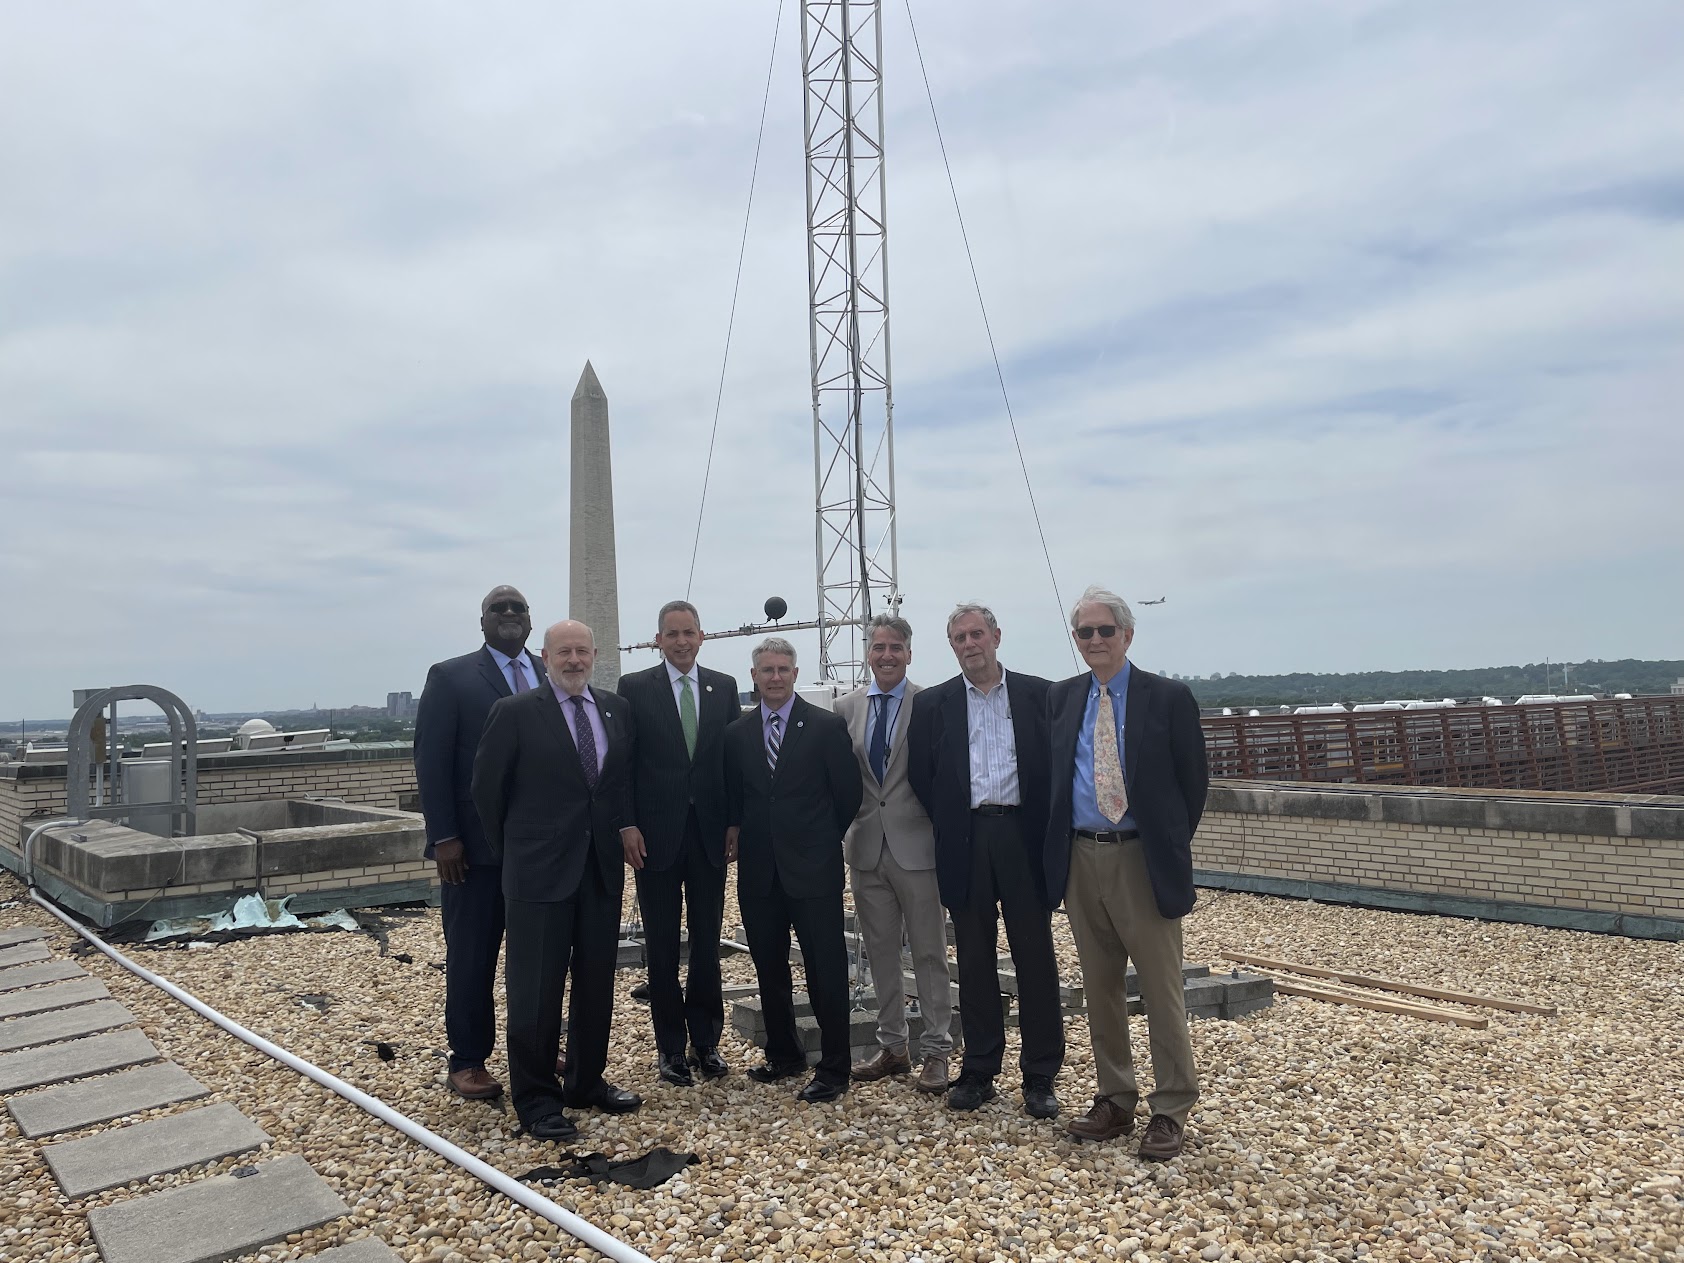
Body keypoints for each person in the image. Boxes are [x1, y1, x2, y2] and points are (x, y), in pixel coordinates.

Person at [1045, 585, 1208, 1159]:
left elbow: (1193, 788)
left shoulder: (1168, 698)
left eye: (1104, 631)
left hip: (1141, 857)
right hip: (1081, 859)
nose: (1094, 640)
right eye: (1084, 632)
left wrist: (1161, 848)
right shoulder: (1063, 699)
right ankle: (1115, 1096)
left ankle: (1171, 1107)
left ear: (1127, 635)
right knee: (1100, 987)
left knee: (1161, 988)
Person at [471, 619, 644, 1140]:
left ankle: (586, 1081)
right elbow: (487, 792)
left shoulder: (615, 710)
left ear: (595, 656)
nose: (574, 660)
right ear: (544, 658)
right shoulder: (515, 713)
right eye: (563, 652)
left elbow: (618, 786)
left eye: (582, 651)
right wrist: (518, 853)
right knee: (535, 990)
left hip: (598, 870)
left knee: (596, 982)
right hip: (537, 874)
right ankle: (536, 1097)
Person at [907, 602, 1063, 1118]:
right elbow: (922, 776)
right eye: (959, 637)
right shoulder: (934, 704)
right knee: (973, 958)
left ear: (996, 636)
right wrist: (954, 819)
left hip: (1022, 836)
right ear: (951, 645)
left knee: (1034, 957)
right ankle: (978, 1067)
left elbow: (1054, 767)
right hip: (966, 838)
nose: (969, 644)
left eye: (977, 634)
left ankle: (1040, 1074)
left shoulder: (1039, 695)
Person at [413, 585, 542, 1100]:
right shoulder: (451, 677)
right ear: (482, 621)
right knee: (472, 957)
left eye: (518, 608)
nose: (509, 615)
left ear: (530, 621)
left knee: (537, 959)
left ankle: (534, 1048)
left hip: (539, 850)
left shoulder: (549, 671)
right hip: (473, 851)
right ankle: (467, 1058)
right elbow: (431, 759)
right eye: (499, 609)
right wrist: (444, 835)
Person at [723, 637, 863, 1103]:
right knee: (769, 967)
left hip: (813, 869)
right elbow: (738, 799)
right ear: (755, 676)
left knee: (825, 968)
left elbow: (847, 795)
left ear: (796, 674)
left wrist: (821, 840)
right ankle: (783, 1054)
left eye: (783, 668)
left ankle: (835, 1067)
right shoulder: (737, 734)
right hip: (760, 873)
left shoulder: (824, 727)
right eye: (767, 669)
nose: (776, 676)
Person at [618, 600, 740, 1086]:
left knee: (708, 941)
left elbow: (732, 763)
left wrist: (735, 821)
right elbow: (624, 765)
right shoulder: (634, 689)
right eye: (672, 634)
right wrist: (627, 824)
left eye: (689, 632)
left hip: (710, 835)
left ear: (702, 636)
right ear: (658, 640)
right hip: (656, 838)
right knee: (663, 945)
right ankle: (670, 1048)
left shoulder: (724, 687)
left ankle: (706, 1041)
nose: (682, 642)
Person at [835, 613, 954, 1093]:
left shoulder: (931, 704)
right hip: (866, 846)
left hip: (918, 846)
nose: (886, 655)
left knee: (928, 952)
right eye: (878, 647)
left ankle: (938, 1049)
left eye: (895, 647)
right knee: (880, 952)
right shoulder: (846, 708)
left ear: (909, 652)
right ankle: (893, 1046)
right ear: (869, 652)